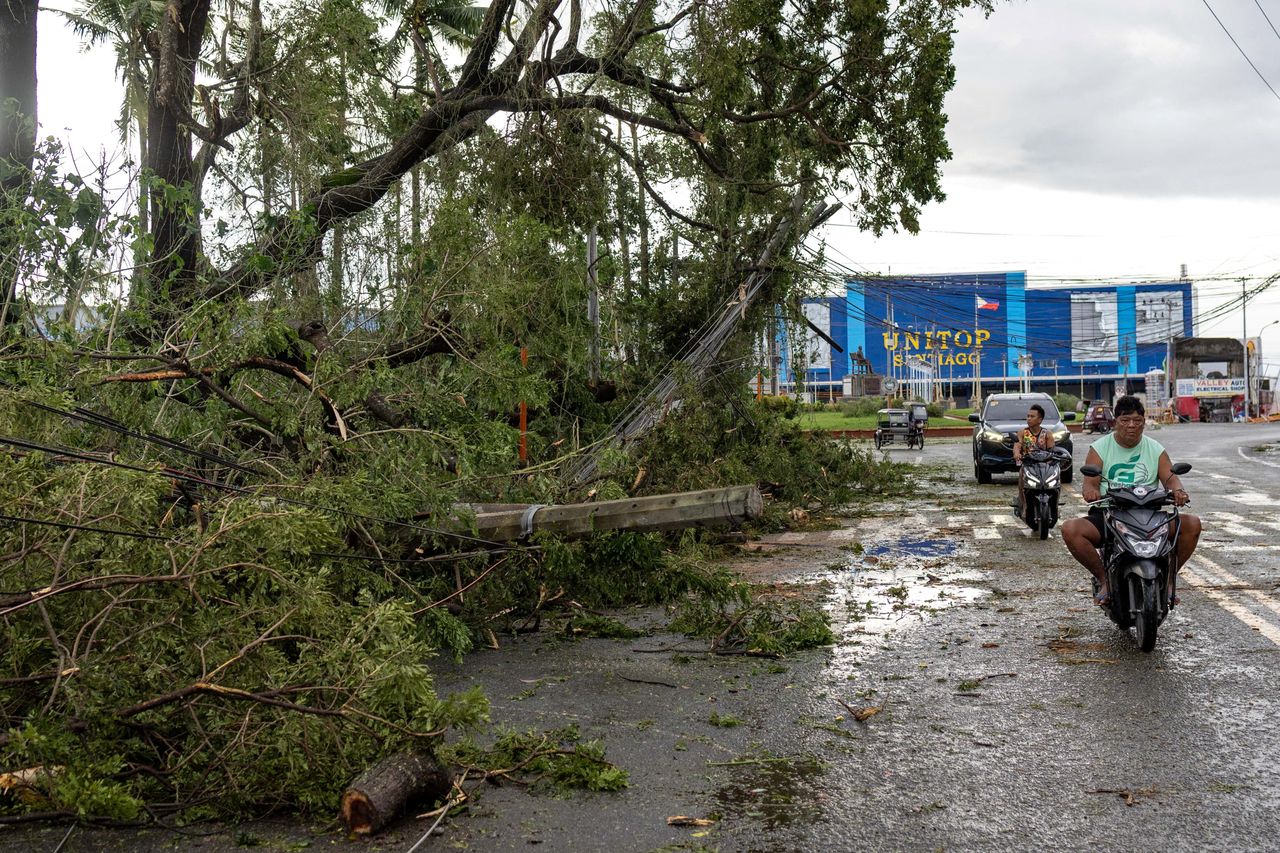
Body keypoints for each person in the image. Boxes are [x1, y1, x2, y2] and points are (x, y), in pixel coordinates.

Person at [1061, 395, 1201, 607]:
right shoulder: (1100, 447)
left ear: (1144, 423)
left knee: (1192, 524)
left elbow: (1171, 478)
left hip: (1150, 514)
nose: (1131, 426)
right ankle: (1104, 579)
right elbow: (1090, 483)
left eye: (1137, 421)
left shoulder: (1155, 448)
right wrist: (1091, 492)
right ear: (1115, 422)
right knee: (1071, 529)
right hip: (1110, 514)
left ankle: (1170, 580)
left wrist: (1179, 491)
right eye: (1125, 421)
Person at [1012, 404, 1054, 514]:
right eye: (1028, 416)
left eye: (1032, 416)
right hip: (1028, 464)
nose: (1028, 418)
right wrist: (1017, 453)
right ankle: (1024, 505)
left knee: (1056, 480)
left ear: (1040, 419)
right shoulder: (1022, 432)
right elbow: (1017, 445)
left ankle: (1055, 506)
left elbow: (1052, 451)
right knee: (1021, 477)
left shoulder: (1047, 434)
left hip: (1045, 466)